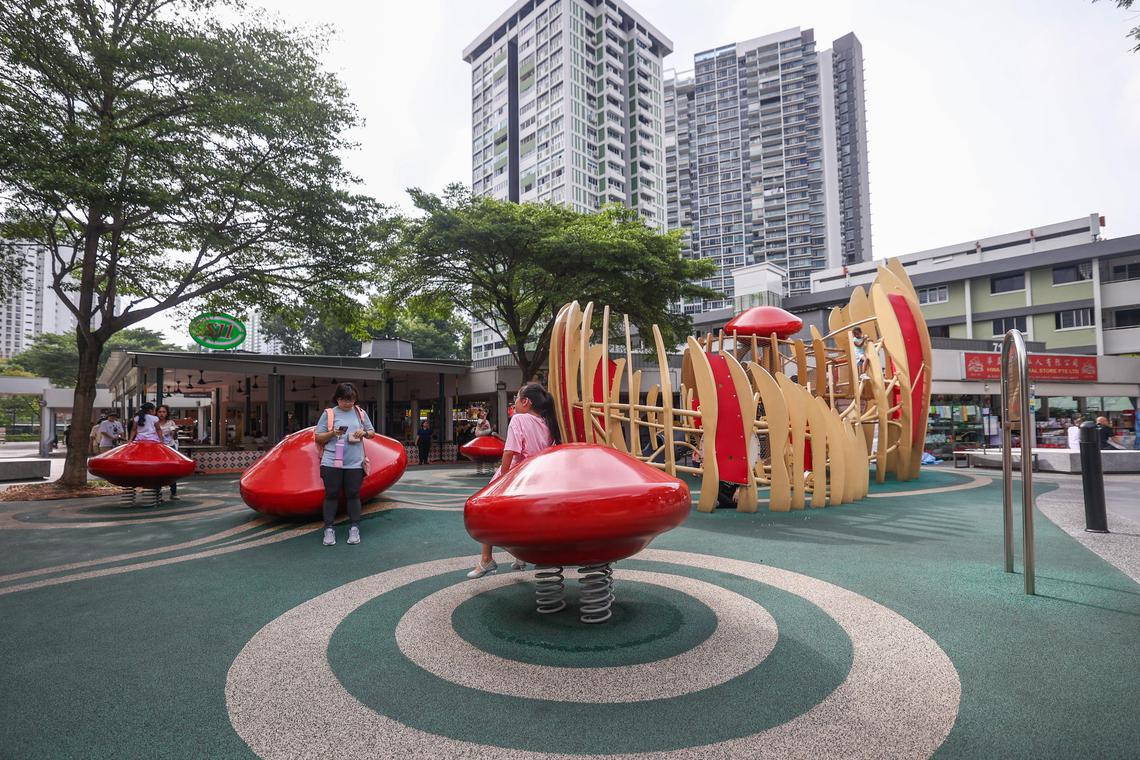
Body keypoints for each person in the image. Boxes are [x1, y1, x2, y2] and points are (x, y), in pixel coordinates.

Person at [468, 383, 561, 579]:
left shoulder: (519, 419)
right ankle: (521, 556)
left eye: (516, 399)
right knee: (525, 516)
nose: (514, 403)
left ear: (526, 402)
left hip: (517, 472)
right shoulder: (548, 422)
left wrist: (503, 477)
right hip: (538, 475)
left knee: (488, 511)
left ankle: (486, 559)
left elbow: (510, 450)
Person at [314, 383, 376, 547]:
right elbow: (318, 438)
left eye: (351, 399)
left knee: (353, 494)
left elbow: (372, 433)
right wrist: (333, 433)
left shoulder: (360, 413)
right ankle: (328, 529)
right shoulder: (329, 414)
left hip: (355, 462)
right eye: (344, 400)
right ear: (337, 398)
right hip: (331, 461)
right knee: (331, 494)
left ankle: (354, 527)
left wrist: (364, 433)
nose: (348, 403)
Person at [156, 405, 181, 500]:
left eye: (164, 412)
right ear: (156, 413)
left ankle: (173, 492)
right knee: (158, 471)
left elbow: (175, 438)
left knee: (172, 470)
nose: (162, 414)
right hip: (158, 448)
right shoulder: (154, 423)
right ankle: (158, 493)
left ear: (167, 413)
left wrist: (175, 432)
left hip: (170, 447)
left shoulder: (171, 422)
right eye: (160, 412)